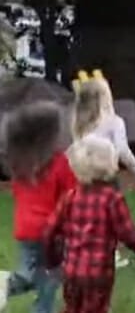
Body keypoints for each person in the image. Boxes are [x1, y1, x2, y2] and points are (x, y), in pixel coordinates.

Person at [42, 135, 135, 313]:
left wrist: (52, 260)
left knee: (73, 308)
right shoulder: (112, 199)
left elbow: (49, 232)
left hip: (71, 272)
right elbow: (130, 236)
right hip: (98, 275)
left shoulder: (70, 198)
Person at [0, 101, 77, 313]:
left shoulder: (19, 163)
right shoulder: (60, 163)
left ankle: (9, 286)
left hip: (25, 229)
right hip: (51, 230)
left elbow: (19, 194)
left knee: (31, 273)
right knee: (49, 278)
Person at [72, 70, 135, 268]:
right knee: (111, 216)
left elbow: (76, 150)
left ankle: (85, 251)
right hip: (107, 176)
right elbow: (123, 151)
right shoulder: (115, 122)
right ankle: (109, 255)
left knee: (88, 215)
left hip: (83, 176)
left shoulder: (79, 123)